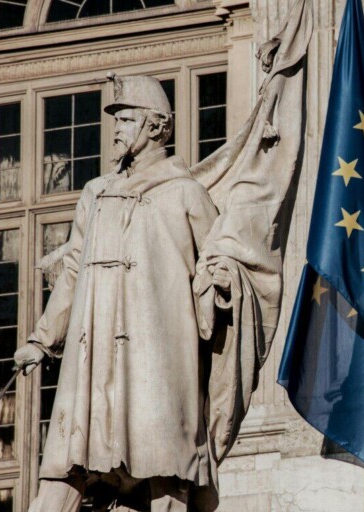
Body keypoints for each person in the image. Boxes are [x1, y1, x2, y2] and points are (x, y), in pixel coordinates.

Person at [14, 74, 231, 512]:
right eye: (115, 118)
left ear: (156, 126)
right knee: (64, 467)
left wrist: (221, 283)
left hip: (158, 361)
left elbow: (219, 265)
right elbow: (73, 269)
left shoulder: (186, 194)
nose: (115, 128)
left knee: (163, 472)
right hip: (90, 359)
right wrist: (42, 338)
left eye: (126, 118)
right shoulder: (95, 195)